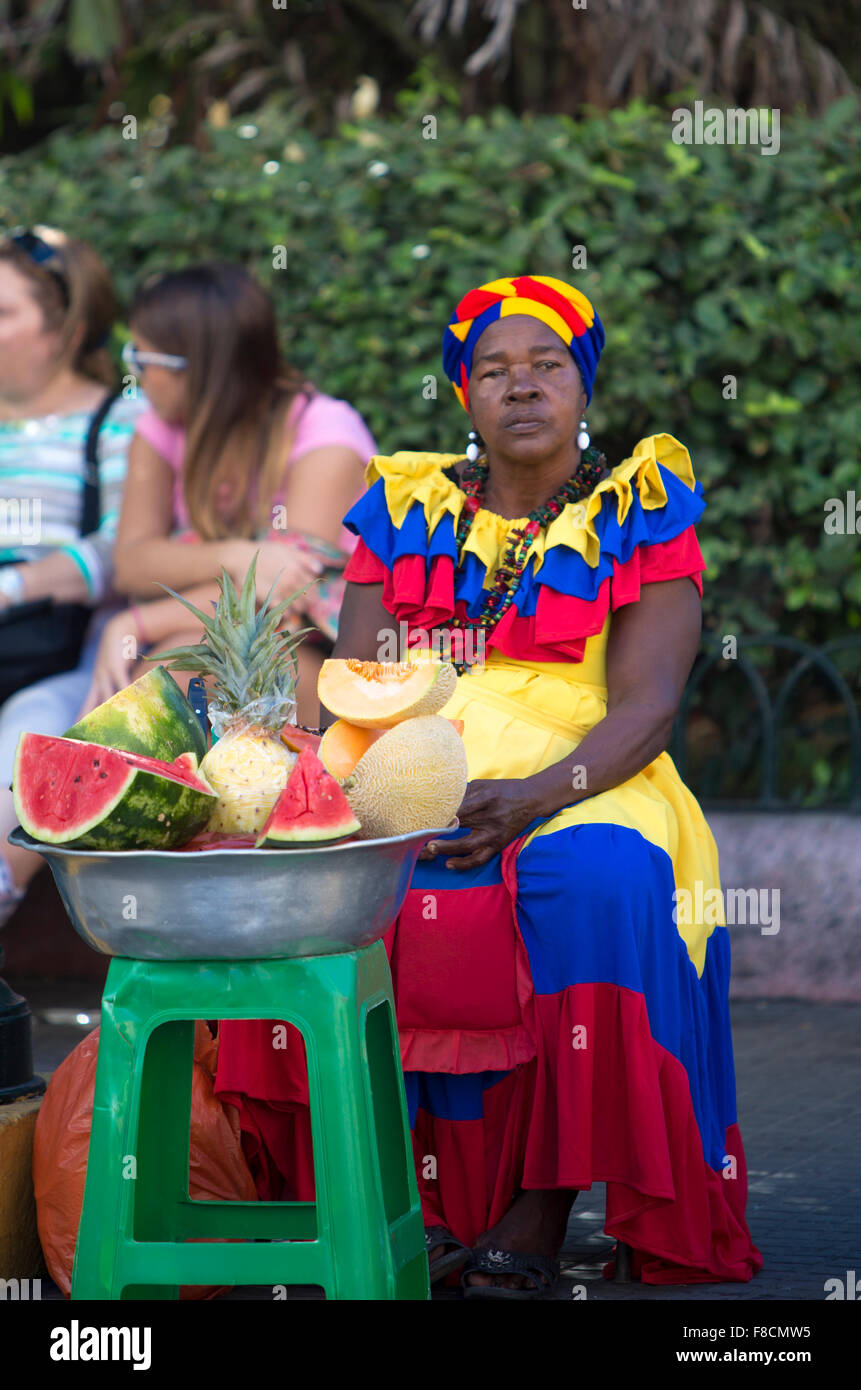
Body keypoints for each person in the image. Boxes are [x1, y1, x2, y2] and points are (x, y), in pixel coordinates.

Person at [213, 273, 763, 1296]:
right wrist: (360, 789)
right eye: (495, 370)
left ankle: (541, 1208)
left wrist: (533, 795)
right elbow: (362, 688)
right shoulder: (405, 508)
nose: (522, 387)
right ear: (462, 393)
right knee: (338, 888)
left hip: (591, 774)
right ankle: (383, 1198)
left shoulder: (637, 508)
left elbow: (646, 708)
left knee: (591, 880)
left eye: (547, 365)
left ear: (582, 387)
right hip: (416, 770)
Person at [81, 262, 377, 726]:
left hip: (328, 661)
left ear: (200, 371)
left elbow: (287, 599)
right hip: (207, 633)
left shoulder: (325, 435)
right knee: (162, 680)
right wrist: (240, 556)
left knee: (180, 675)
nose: (134, 373)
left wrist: (137, 623)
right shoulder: (161, 428)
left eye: (142, 358)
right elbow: (133, 563)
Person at [0, 227, 144, 925]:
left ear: (66, 328)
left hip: (55, 650)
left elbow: (124, 546)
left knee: (26, 752)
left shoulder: (116, 420)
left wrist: (15, 586)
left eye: (4, 313)